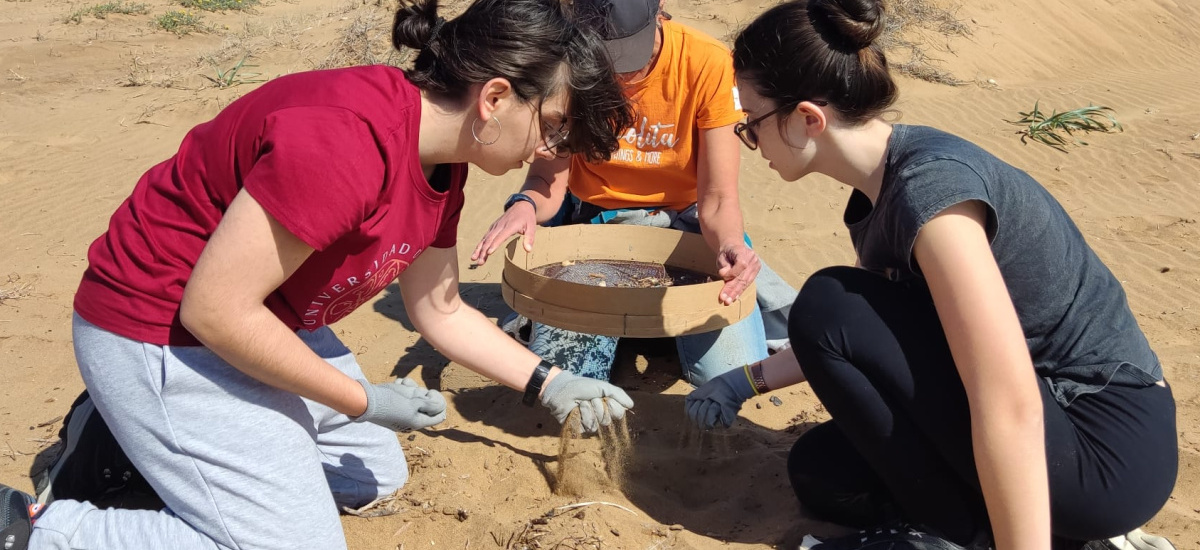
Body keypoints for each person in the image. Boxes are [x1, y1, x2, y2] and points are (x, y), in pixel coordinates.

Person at [0, 0, 639, 548]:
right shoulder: (346, 144)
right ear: (495, 98)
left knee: (372, 475)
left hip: (262, 317)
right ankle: (40, 528)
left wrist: (548, 381)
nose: (548, 153)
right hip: (160, 329)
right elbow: (215, 311)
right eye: (552, 126)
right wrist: (361, 400)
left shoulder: (446, 158)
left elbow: (440, 310)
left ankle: (150, 454)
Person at [683, 0, 1178, 549]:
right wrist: (744, 381)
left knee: (827, 302)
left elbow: (1006, 397)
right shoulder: (885, 188)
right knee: (823, 471)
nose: (751, 143)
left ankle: (990, 536)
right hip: (1052, 425)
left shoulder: (931, 194)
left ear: (806, 119)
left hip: (1101, 445)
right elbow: (877, 338)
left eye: (752, 123)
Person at [470, 0, 798, 387]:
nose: (618, 70)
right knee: (566, 378)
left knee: (733, 374)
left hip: (689, 230)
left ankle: (647, 329)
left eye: (630, 49)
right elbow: (547, 182)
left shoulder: (706, 63)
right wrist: (525, 204)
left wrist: (729, 243)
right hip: (596, 233)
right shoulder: (567, 65)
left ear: (659, 9)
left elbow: (719, 199)